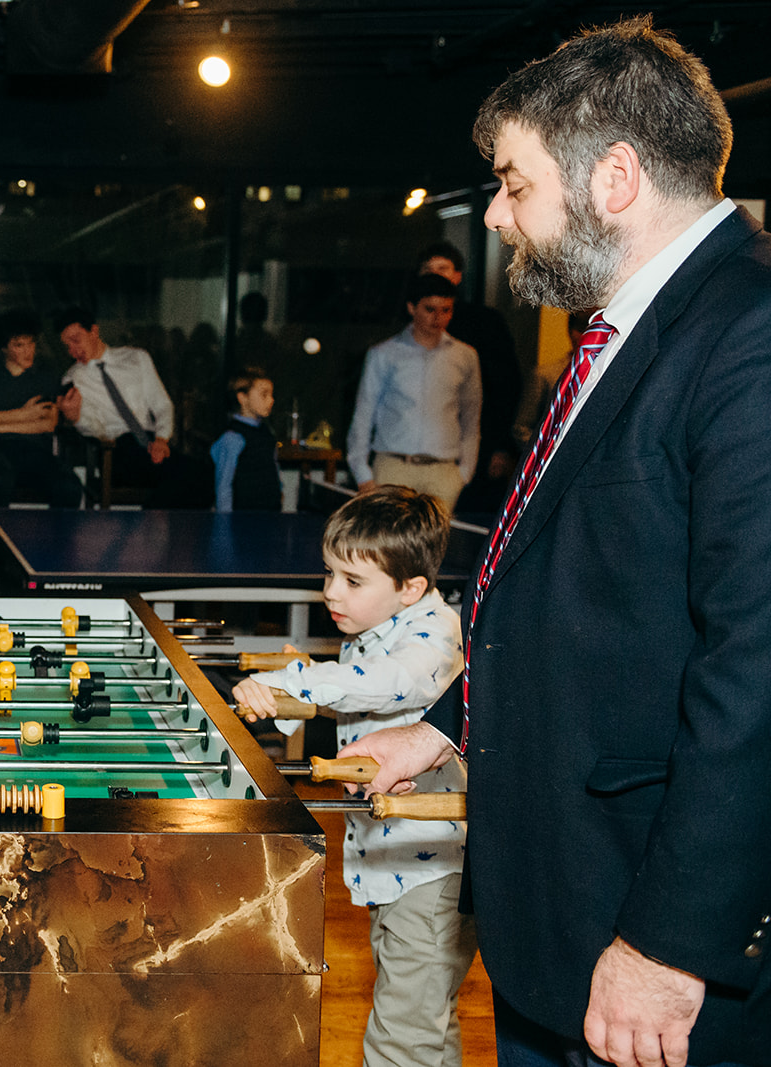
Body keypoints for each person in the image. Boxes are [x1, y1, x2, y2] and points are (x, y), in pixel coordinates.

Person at [339, 17, 771, 1067]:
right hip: (565, 911)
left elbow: (754, 667)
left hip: (645, 925)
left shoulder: (748, 336)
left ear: (613, 177)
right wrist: (441, 726)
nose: (494, 214)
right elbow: (577, 595)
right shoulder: (627, 326)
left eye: (513, 183)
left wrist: (671, 941)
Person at [237, 486, 472, 1067]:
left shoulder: (434, 636)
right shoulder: (382, 628)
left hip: (434, 873)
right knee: (427, 1025)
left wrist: (295, 683)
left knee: (401, 1040)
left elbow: (391, 681)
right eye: (328, 573)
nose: (330, 592)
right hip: (395, 865)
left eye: (352, 580)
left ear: (410, 587)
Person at [345, 273, 482, 510]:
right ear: (412, 307)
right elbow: (363, 414)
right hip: (393, 467)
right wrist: (362, 473)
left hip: (444, 472)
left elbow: (472, 417)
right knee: (389, 544)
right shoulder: (384, 354)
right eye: (430, 309)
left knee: (437, 546)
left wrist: (464, 472)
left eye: (446, 310)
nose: (438, 317)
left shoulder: (465, 356)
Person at [54, 305, 203, 507]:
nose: (73, 351)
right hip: (116, 449)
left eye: (76, 340)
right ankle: (152, 523)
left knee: (203, 474)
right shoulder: (73, 378)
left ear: (94, 331)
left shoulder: (136, 358)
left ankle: (150, 519)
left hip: (150, 440)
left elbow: (161, 404)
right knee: (185, 477)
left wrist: (161, 438)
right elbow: (95, 429)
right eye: (67, 346)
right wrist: (76, 418)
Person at [417, 241, 522, 515]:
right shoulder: (409, 327)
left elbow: (506, 387)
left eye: (442, 269)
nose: (435, 276)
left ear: (457, 276)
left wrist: (501, 446)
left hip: (477, 449)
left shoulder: (485, 323)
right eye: (428, 270)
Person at [0, 307, 83, 508]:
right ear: (4, 348)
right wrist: (24, 414)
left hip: (36, 449)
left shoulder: (45, 374)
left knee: (70, 486)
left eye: (31, 343)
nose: (28, 350)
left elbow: (48, 424)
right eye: (19, 345)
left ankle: (56, 539)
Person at [210, 366, 282, 512]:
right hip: (242, 519)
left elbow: (274, 466)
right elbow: (223, 486)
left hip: (270, 514)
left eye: (271, 395)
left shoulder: (266, 432)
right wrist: (224, 524)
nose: (271, 400)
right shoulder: (232, 437)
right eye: (264, 395)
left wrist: (279, 491)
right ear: (242, 398)